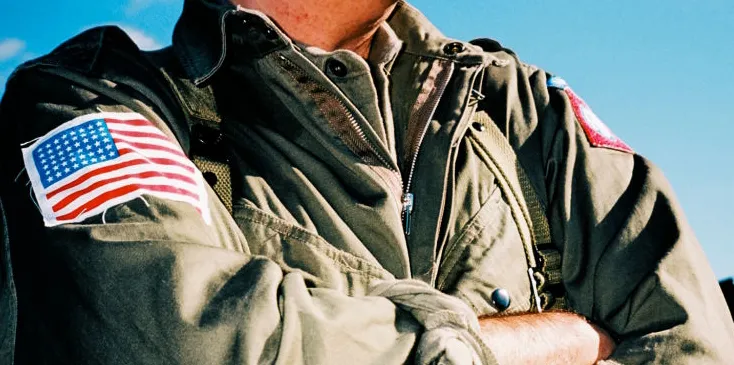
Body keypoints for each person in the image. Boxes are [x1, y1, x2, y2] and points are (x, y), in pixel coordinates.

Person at [0, 0, 732, 363]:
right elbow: (182, 340)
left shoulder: (527, 111)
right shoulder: (93, 95)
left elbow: (693, 339)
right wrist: (545, 341)